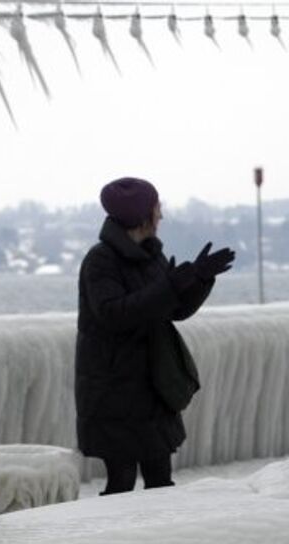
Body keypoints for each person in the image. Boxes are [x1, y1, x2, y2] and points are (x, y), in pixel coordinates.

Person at [76, 177, 234, 495]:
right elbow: (114, 313)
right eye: (156, 208)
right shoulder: (101, 260)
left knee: (161, 481)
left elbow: (173, 310)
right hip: (113, 388)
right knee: (121, 480)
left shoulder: (151, 255)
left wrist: (199, 280)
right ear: (142, 216)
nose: (161, 215)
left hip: (152, 386)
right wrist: (169, 286)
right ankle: (115, 542)